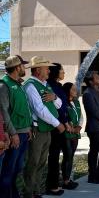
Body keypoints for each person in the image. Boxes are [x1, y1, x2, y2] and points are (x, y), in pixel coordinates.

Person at [23, 56, 66, 198]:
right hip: (38, 130)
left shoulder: (45, 84)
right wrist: (58, 124)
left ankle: (36, 191)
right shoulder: (30, 86)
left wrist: (54, 97)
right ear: (37, 70)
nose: (49, 70)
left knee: (41, 162)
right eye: (46, 68)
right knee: (33, 163)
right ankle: (29, 193)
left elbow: (59, 104)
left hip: (46, 129)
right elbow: (39, 110)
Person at [0, 55, 31, 198]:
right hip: (15, 135)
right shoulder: (4, 85)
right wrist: (12, 133)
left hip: (24, 132)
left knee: (17, 169)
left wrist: (28, 128)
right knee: (8, 170)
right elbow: (4, 111)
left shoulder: (18, 84)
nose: (24, 68)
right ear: (17, 67)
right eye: (23, 65)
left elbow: (24, 108)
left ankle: (14, 194)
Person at [46, 63, 75, 194]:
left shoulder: (58, 86)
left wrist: (67, 121)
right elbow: (55, 107)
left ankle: (61, 181)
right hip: (55, 126)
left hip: (62, 124)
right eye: (62, 71)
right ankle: (52, 186)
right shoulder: (50, 86)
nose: (64, 73)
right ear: (56, 72)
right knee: (53, 156)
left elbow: (63, 106)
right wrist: (62, 122)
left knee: (60, 154)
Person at [61, 82, 83, 189]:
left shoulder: (76, 102)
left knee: (71, 156)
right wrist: (71, 128)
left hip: (75, 133)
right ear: (67, 90)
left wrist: (79, 127)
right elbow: (62, 117)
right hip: (67, 133)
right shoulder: (63, 102)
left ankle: (68, 179)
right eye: (73, 89)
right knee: (67, 156)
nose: (76, 91)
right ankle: (65, 181)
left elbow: (81, 116)